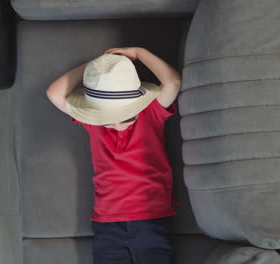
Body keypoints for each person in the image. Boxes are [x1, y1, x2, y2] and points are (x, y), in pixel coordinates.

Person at [45, 47, 182, 264]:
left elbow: (172, 82)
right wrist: (94, 69)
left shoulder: (151, 112)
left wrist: (138, 53)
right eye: (108, 119)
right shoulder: (93, 120)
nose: (117, 125)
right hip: (107, 222)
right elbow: (54, 93)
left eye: (126, 117)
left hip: (151, 217)